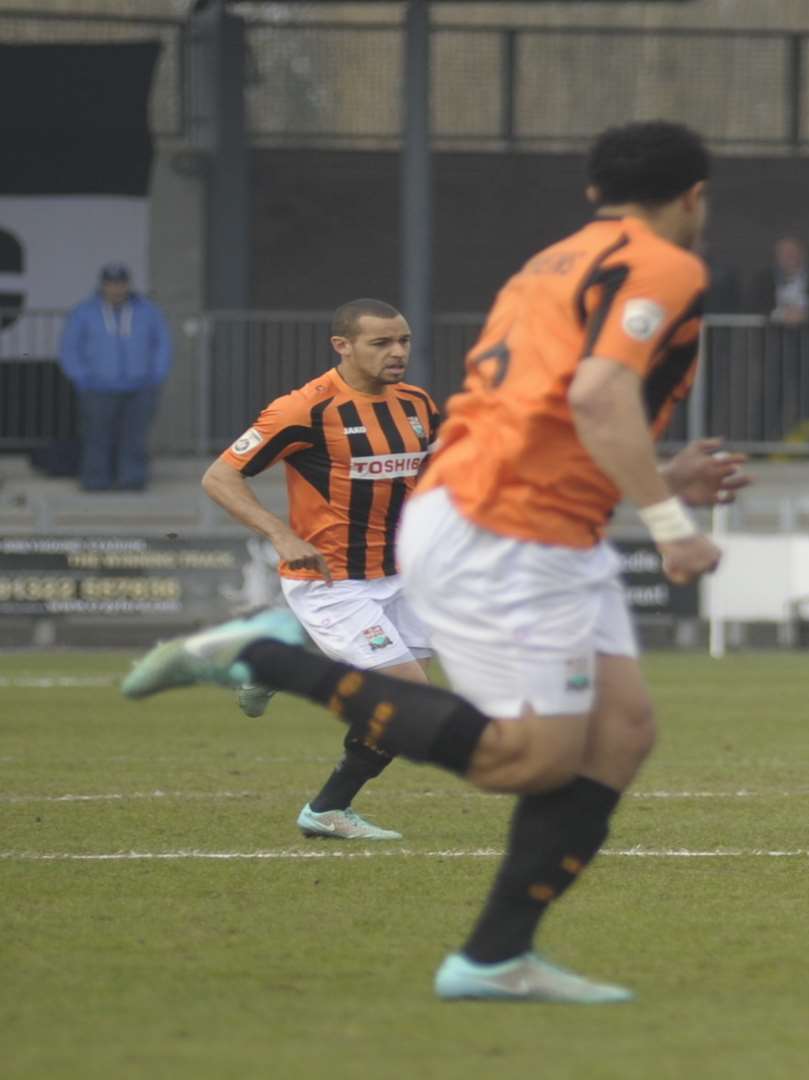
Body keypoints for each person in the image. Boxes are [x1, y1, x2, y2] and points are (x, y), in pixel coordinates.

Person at [120, 121, 750, 1003]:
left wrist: (650, 473)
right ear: (695, 198)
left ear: (592, 195)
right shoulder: (666, 264)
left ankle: (493, 959)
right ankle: (263, 654)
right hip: (509, 525)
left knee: (623, 734)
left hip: (518, 516)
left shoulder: (549, 264)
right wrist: (670, 518)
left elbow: (539, 416)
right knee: (529, 761)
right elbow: (599, 394)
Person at [202, 298, 438, 840]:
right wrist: (281, 534)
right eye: (381, 343)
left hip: (400, 576)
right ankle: (326, 808)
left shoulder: (419, 405)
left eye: (402, 340)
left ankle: (277, 669)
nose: (397, 352)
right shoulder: (303, 409)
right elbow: (220, 476)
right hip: (331, 581)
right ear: (343, 346)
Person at [57, 263, 171, 492]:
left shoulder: (148, 311)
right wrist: (81, 377)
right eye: (111, 284)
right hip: (97, 386)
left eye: (120, 284)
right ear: (102, 285)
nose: (116, 289)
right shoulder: (85, 312)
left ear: (128, 285)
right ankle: (96, 481)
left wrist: (156, 375)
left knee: (135, 437)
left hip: (140, 386)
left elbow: (162, 344)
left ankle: (132, 480)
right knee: (97, 436)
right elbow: (70, 346)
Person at [745, 236, 809, 439]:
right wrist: (780, 315)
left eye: (792, 253)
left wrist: (807, 316)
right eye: (783, 253)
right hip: (776, 347)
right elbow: (753, 304)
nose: (788, 258)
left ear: (802, 255)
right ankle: (762, 444)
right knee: (771, 395)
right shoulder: (765, 279)